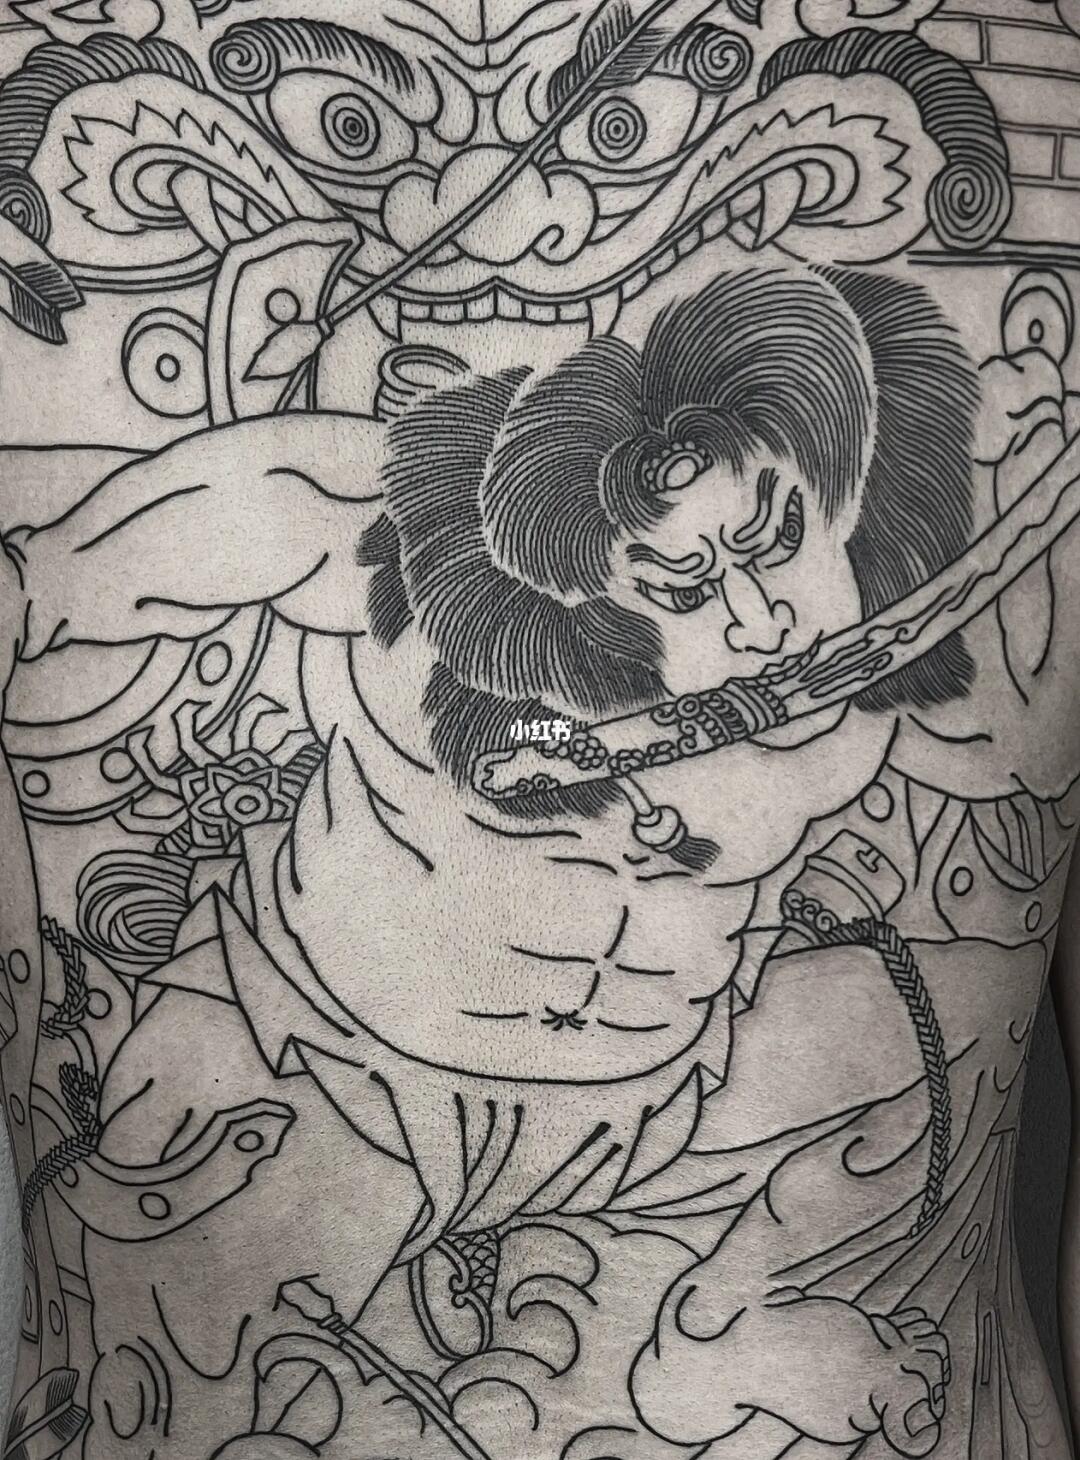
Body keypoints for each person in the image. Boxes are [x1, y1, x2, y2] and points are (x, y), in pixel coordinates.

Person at [0, 2, 1078, 1458]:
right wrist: (63, 617)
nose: (760, 615)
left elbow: (1002, 772)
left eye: (774, 538)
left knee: (903, 1044)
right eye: (684, 583)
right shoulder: (407, 566)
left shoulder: (899, 630)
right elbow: (184, 538)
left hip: (680, 1111)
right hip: (329, 1065)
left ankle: (713, 1318)